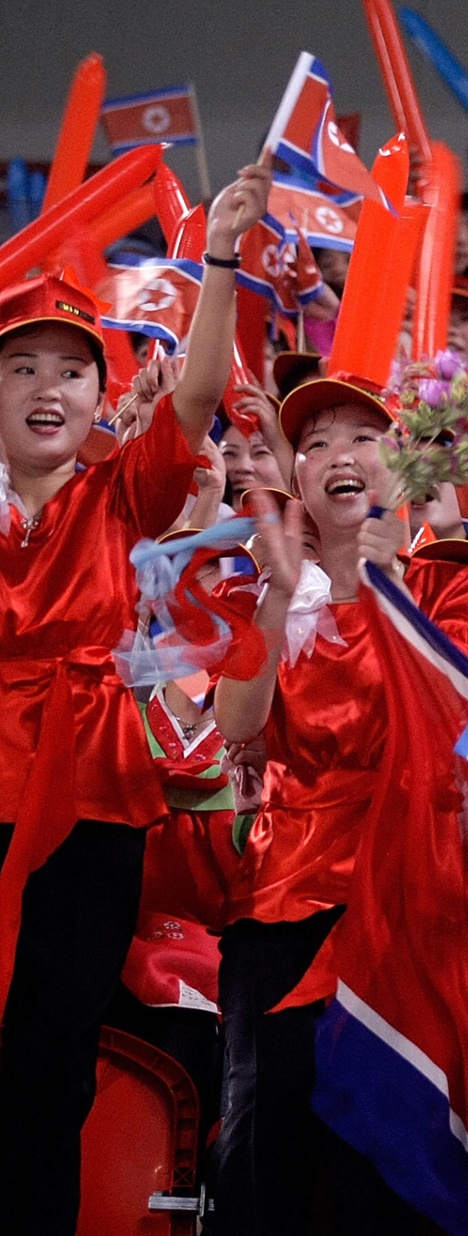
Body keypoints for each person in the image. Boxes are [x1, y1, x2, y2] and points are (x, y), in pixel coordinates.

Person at [0, 164, 269, 1235]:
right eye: (22, 367)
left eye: (72, 369)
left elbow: (198, 397)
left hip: (91, 803)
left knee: (51, 1065)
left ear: (97, 395)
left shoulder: (122, 493)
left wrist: (220, 261)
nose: (49, 388)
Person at [208, 370, 468, 1236]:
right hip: (287, 896)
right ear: (294, 478)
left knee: (395, 1157)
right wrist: (274, 586)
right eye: (315, 443)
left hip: (415, 894)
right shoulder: (259, 592)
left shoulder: (455, 587)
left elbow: (464, 722)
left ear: (402, 464)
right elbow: (238, 722)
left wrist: (395, 600)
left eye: (361, 437)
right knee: (275, 1148)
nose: (339, 455)